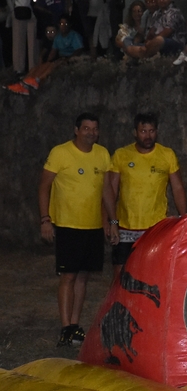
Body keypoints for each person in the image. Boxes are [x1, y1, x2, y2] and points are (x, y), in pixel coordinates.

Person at [38, 112, 111, 347]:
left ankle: (75, 325)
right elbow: (43, 187)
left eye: (95, 129)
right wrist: (45, 220)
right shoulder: (60, 153)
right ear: (76, 130)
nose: (91, 133)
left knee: (83, 276)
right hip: (68, 224)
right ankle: (65, 326)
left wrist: (111, 220)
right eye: (86, 128)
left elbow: (106, 191)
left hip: (92, 226)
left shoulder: (102, 154)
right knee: (68, 275)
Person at [104, 113, 187, 271]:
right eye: (143, 131)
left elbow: (177, 188)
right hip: (125, 226)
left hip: (155, 227)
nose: (148, 136)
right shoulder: (121, 155)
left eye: (151, 131)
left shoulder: (167, 155)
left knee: (153, 271)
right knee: (121, 274)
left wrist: (184, 218)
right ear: (135, 132)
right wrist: (109, 221)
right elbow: (111, 191)